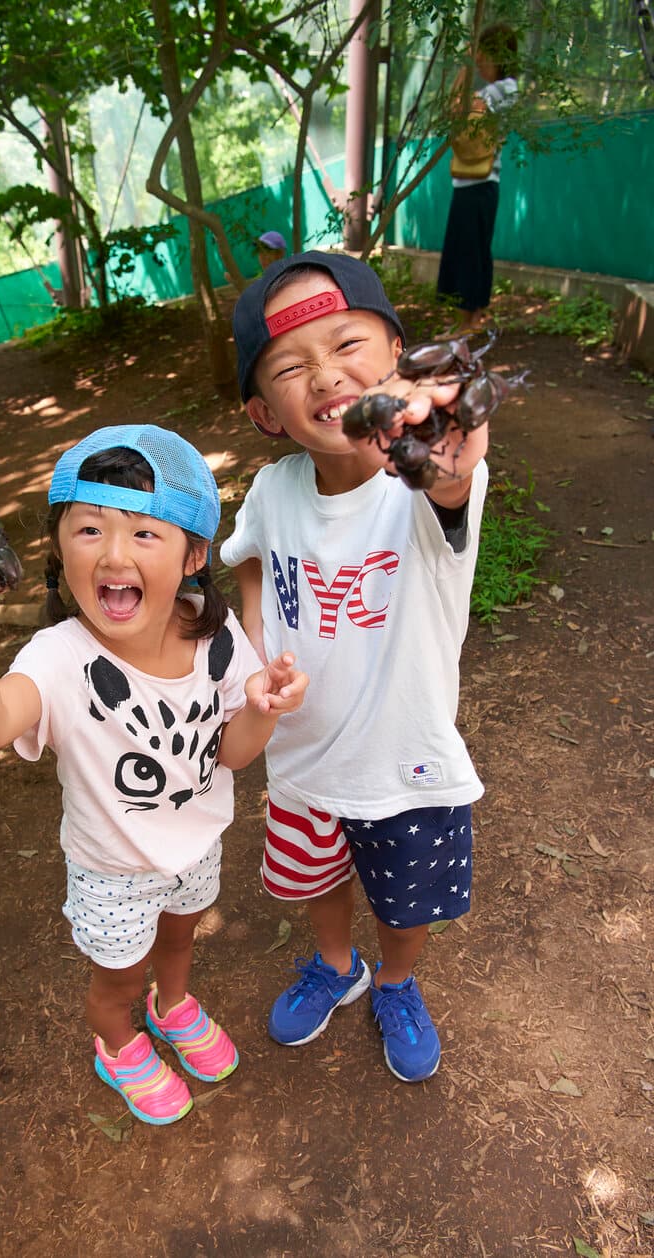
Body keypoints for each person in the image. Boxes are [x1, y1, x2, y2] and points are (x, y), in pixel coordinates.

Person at [0, 423, 308, 1124]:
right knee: (116, 977)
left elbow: (233, 754)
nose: (115, 553)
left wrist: (262, 712)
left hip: (198, 845)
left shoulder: (216, 634)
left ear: (193, 555)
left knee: (182, 935)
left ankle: (172, 1004)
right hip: (112, 871)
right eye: (89, 530)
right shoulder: (57, 658)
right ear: (59, 550)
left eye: (146, 533)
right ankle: (118, 1041)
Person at [220, 250, 489, 1083]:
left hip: (406, 765)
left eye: (347, 345)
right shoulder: (273, 488)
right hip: (301, 759)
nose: (327, 376)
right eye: (292, 367)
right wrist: (259, 654)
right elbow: (251, 562)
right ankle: (339, 968)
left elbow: (452, 478)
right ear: (267, 412)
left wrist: (447, 447)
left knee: (405, 903)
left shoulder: (421, 484)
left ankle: (398, 982)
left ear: (397, 355)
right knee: (315, 879)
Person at [436, 25, 519, 334]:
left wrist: (465, 65)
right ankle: (474, 319)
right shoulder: (497, 91)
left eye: (484, 56)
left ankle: (464, 324)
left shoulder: (503, 89)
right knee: (475, 250)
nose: (481, 63)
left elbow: (454, 108)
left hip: (477, 184)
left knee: (468, 252)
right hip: (477, 184)